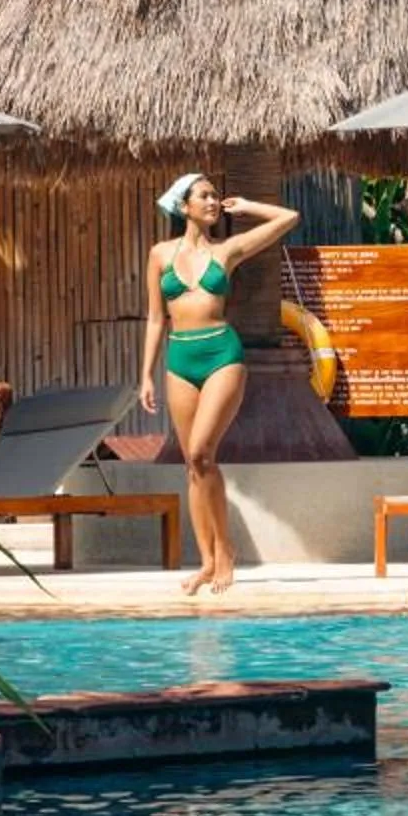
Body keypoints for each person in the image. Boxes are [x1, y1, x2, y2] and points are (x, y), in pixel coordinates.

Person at [139, 173, 301, 596]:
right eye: (204, 196)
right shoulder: (159, 255)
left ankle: (226, 550)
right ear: (183, 206)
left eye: (214, 195)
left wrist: (247, 207)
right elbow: (156, 318)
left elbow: (289, 217)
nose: (213, 201)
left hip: (221, 355)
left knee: (200, 451)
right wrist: (145, 375)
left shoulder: (227, 251)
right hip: (180, 359)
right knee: (193, 467)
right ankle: (207, 562)